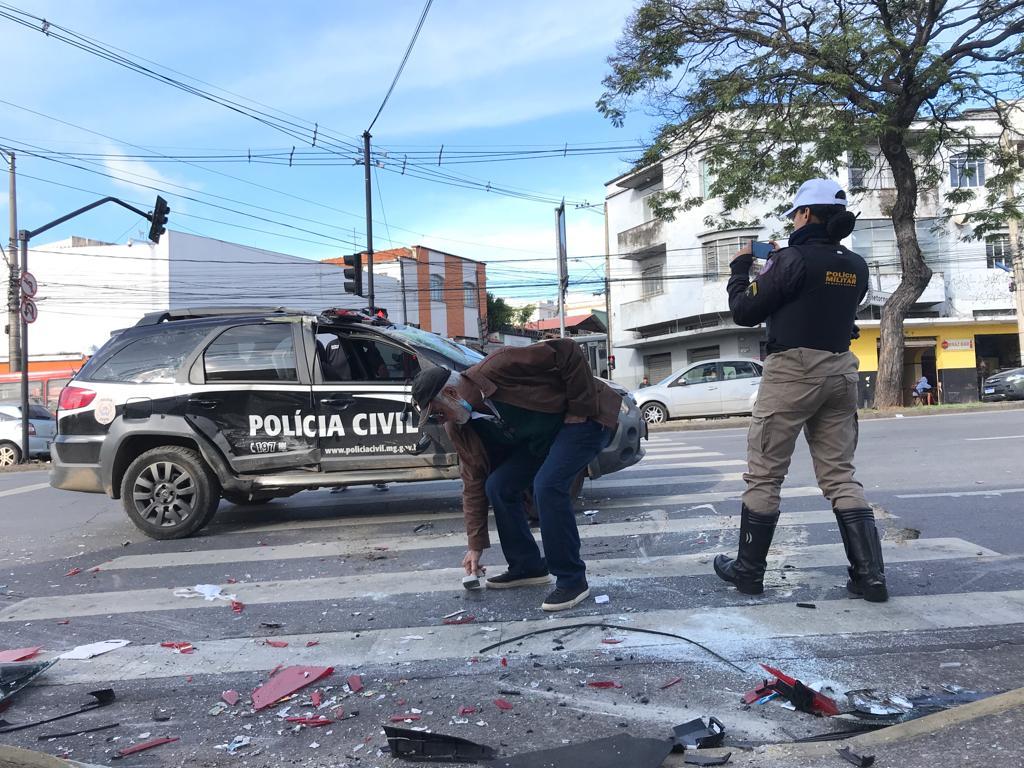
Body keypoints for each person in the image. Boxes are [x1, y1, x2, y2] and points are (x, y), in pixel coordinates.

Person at [714, 178, 888, 603]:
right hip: (841, 371)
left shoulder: (791, 259)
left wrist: (741, 270)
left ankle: (749, 572)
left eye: (795, 213)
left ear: (806, 214)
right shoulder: (856, 264)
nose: (793, 220)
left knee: (765, 474)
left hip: (792, 372)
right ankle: (870, 577)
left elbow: (745, 311)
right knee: (840, 476)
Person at [410, 339, 622, 611]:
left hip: (583, 420)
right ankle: (527, 566)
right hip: (541, 441)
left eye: (438, 414)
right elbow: (473, 480)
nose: (442, 421)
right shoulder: (460, 427)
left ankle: (572, 580)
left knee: (547, 485)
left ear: (451, 393)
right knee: (498, 486)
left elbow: (568, 351)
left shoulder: (501, 365)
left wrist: (580, 408)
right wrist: (475, 546)